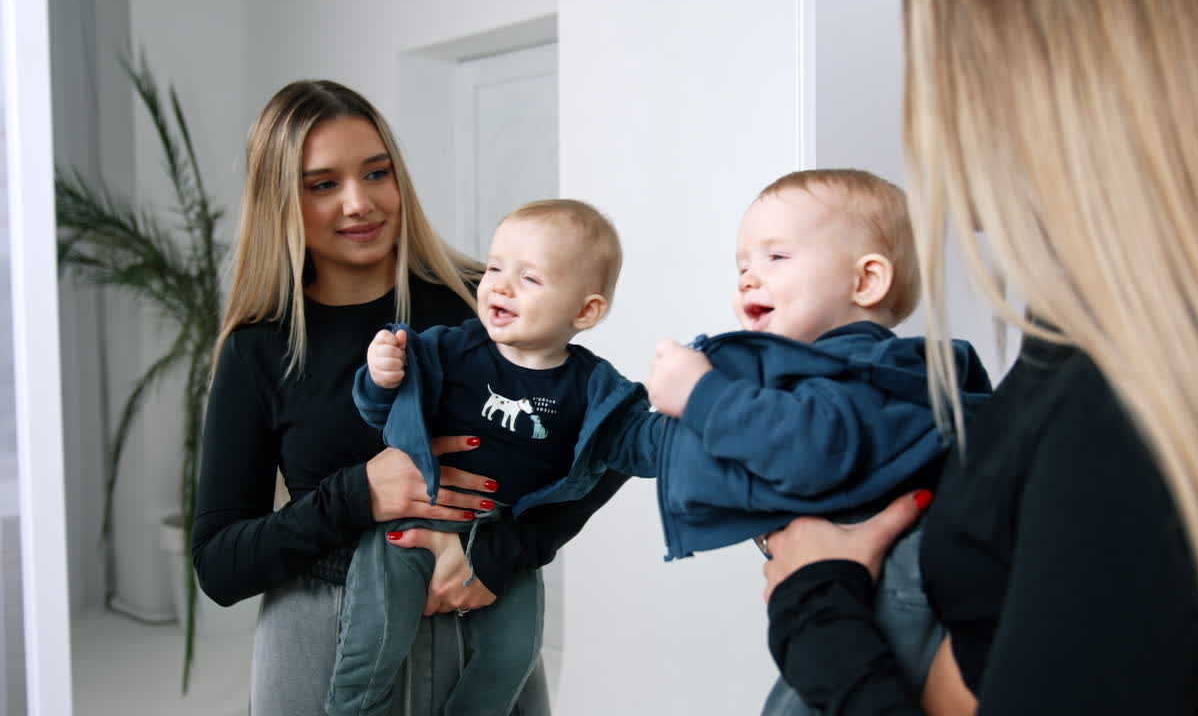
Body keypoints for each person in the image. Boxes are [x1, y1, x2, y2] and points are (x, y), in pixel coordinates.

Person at [764, 0, 1198, 714]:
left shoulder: (1121, 408)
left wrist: (814, 603)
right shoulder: (1086, 340)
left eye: (933, 67)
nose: (922, 110)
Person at [192, 81, 629, 716]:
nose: (359, 202)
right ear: (280, 199)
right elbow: (220, 565)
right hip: (321, 644)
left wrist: (500, 557)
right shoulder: (260, 349)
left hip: (480, 623)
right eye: (323, 184)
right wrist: (359, 493)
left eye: (377, 173)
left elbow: (606, 443)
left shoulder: (484, 301)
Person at [641, 168, 990, 704]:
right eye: (742, 265)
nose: (748, 278)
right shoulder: (824, 375)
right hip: (849, 594)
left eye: (776, 257)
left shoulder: (874, 369)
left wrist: (703, 394)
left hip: (887, 595)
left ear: (866, 281)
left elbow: (814, 447)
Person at [329, 199, 646, 716]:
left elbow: (634, 447)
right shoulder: (451, 350)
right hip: (417, 515)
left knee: (514, 652)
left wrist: (681, 427)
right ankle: (351, 709)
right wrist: (380, 377)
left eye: (529, 278)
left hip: (504, 532)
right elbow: (384, 413)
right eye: (495, 268)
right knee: (376, 637)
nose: (500, 286)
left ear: (585, 311)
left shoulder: (593, 390)